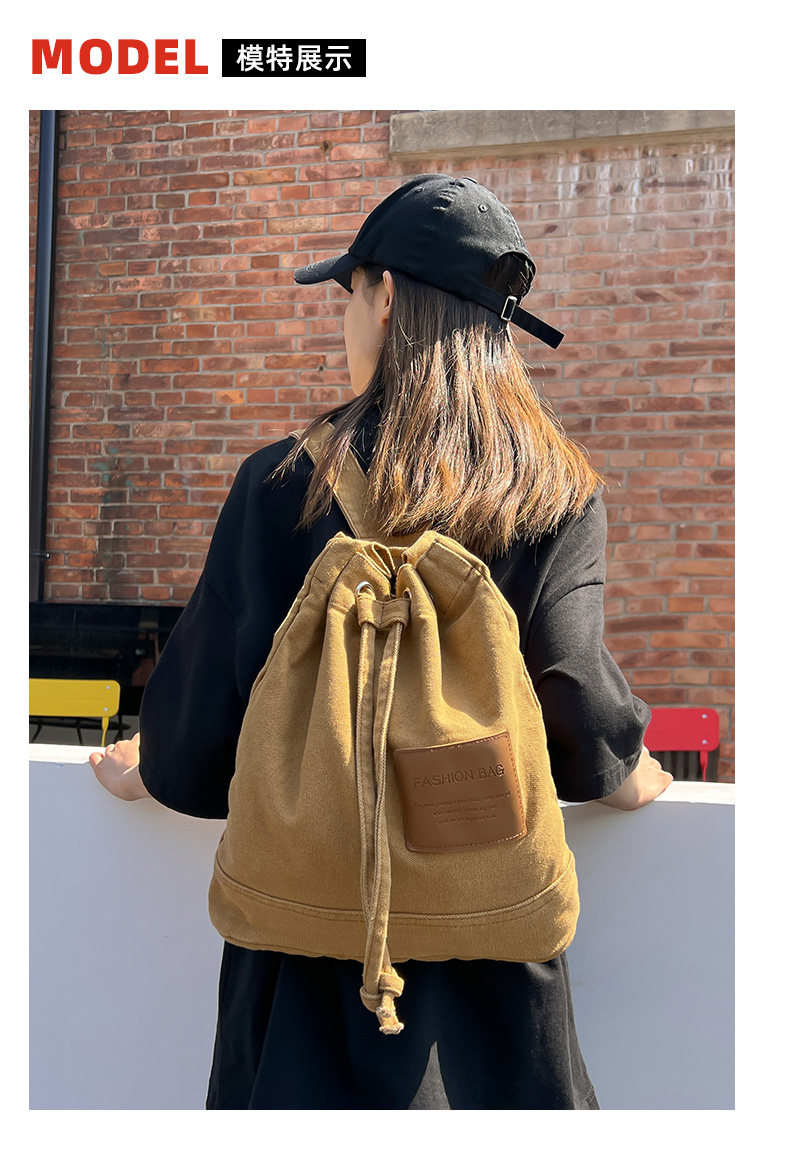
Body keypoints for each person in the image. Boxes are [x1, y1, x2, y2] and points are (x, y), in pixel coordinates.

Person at [89, 173, 673, 1110]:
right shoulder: (556, 492)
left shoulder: (278, 484)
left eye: (348, 294)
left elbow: (197, 748)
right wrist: (626, 767)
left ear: (387, 295)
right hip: (493, 985)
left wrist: (147, 764)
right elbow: (576, 698)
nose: (344, 321)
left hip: (300, 973)